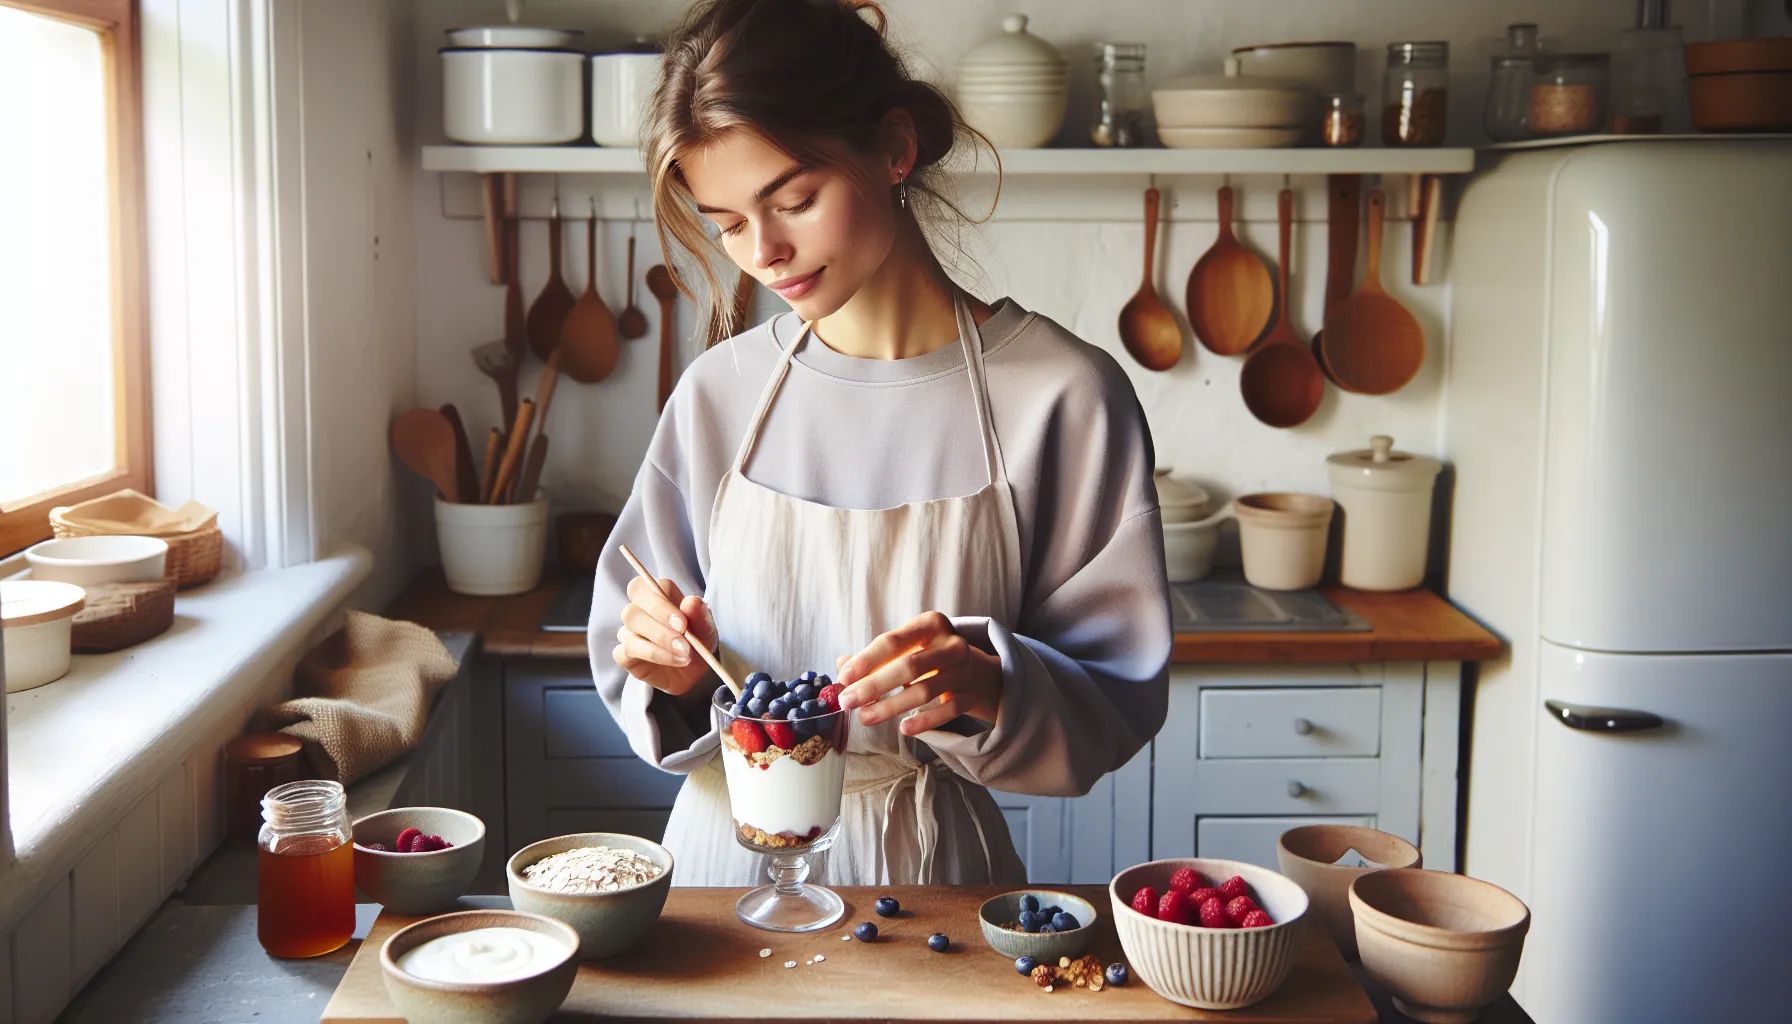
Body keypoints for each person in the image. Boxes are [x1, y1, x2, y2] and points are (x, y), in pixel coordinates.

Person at [589, 0, 1171, 887]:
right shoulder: (720, 395)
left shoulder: (1064, 397)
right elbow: (634, 644)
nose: (766, 254)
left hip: (927, 877)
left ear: (894, 149)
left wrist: (988, 686)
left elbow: (1117, 699)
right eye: (728, 224)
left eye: (794, 200)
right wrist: (661, 671)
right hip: (720, 877)